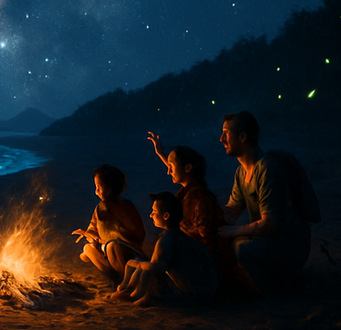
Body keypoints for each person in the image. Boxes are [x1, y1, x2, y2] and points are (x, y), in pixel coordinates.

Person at [217, 111, 311, 293]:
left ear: (243, 137)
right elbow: (231, 211)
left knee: (241, 247)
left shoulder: (267, 169)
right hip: (269, 239)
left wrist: (234, 232)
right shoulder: (241, 172)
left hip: (287, 244)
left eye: (226, 133)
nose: (221, 139)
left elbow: (269, 225)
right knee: (224, 242)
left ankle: (274, 289)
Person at [112, 192, 218, 306]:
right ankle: (129, 291)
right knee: (144, 265)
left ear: (166, 216)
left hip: (192, 293)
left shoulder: (168, 239)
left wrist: (136, 264)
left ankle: (136, 295)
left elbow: (156, 267)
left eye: (154, 212)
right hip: (206, 290)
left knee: (147, 269)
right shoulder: (181, 236)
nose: (151, 215)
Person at [147, 133, 223, 252]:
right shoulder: (187, 192)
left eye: (171, 166)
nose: (168, 172)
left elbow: (207, 239)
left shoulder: (199, 199)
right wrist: (161, 154)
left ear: (188, 168)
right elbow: (179, 170)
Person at [72, 164, 146, 278]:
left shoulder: (124, 207)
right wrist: (89, 235)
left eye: (99, 187)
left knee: (112, 246)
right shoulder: (99, 208)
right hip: (106, 249)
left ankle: (124, 277)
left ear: (110, 188)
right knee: (87, 249)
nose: (96, 191)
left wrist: (117, 239)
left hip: (127, 253)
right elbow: (93, 227)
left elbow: (137, 233)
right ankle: (113, 276)